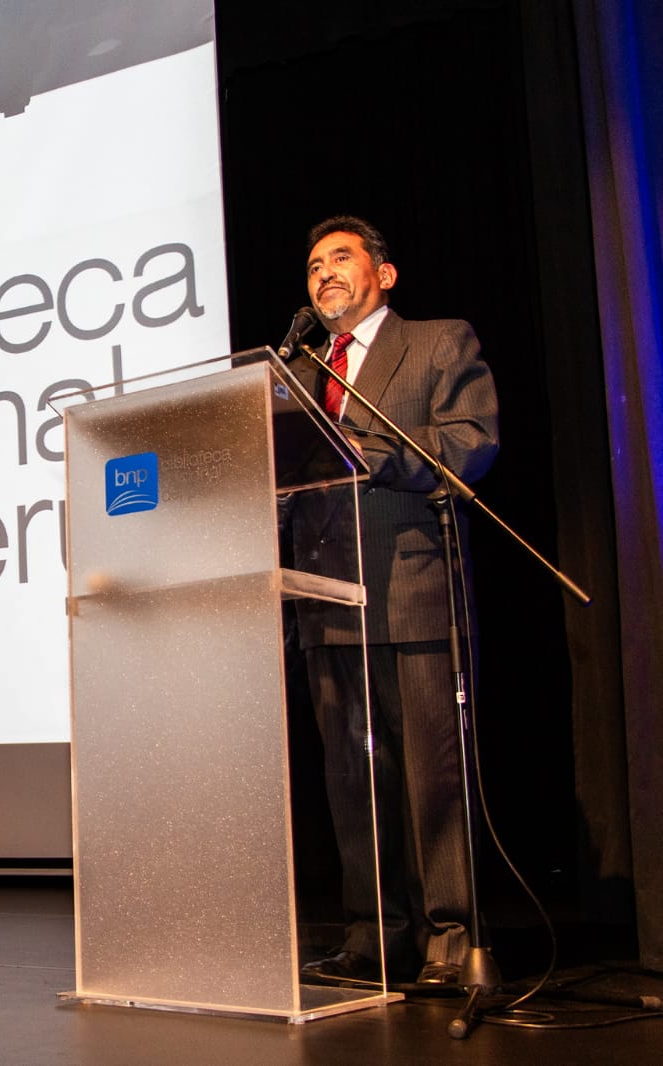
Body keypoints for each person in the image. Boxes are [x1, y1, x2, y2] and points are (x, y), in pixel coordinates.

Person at [290, 216, 500, 987]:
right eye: (314, 265)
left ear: (384, 274)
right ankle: (373, 938)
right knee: (352, 781)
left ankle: (450, 939)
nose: (324, 273)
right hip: (324, 596)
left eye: (340, 258)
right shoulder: (298, 371)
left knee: (429, 778)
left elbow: (470, 442)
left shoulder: (438, 343)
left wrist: (369, 455)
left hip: (411, 587)